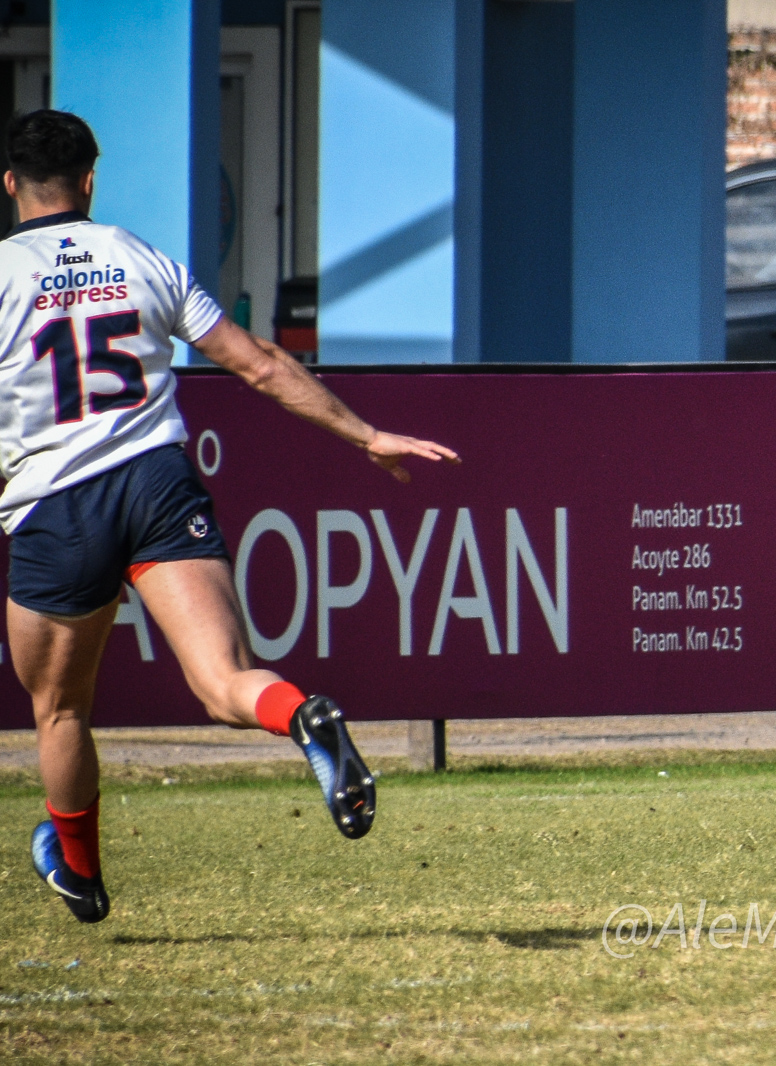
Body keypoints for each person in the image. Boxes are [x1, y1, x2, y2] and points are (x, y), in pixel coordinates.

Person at [4, 110, 460, 923]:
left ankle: (81, 872)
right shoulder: (138, 256)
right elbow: (260, 365)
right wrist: (366, 435)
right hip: (157, 482)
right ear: (90, 181)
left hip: (57, 503)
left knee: (61, 710)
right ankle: (304, 717)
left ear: (10, 183)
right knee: (223, 682)